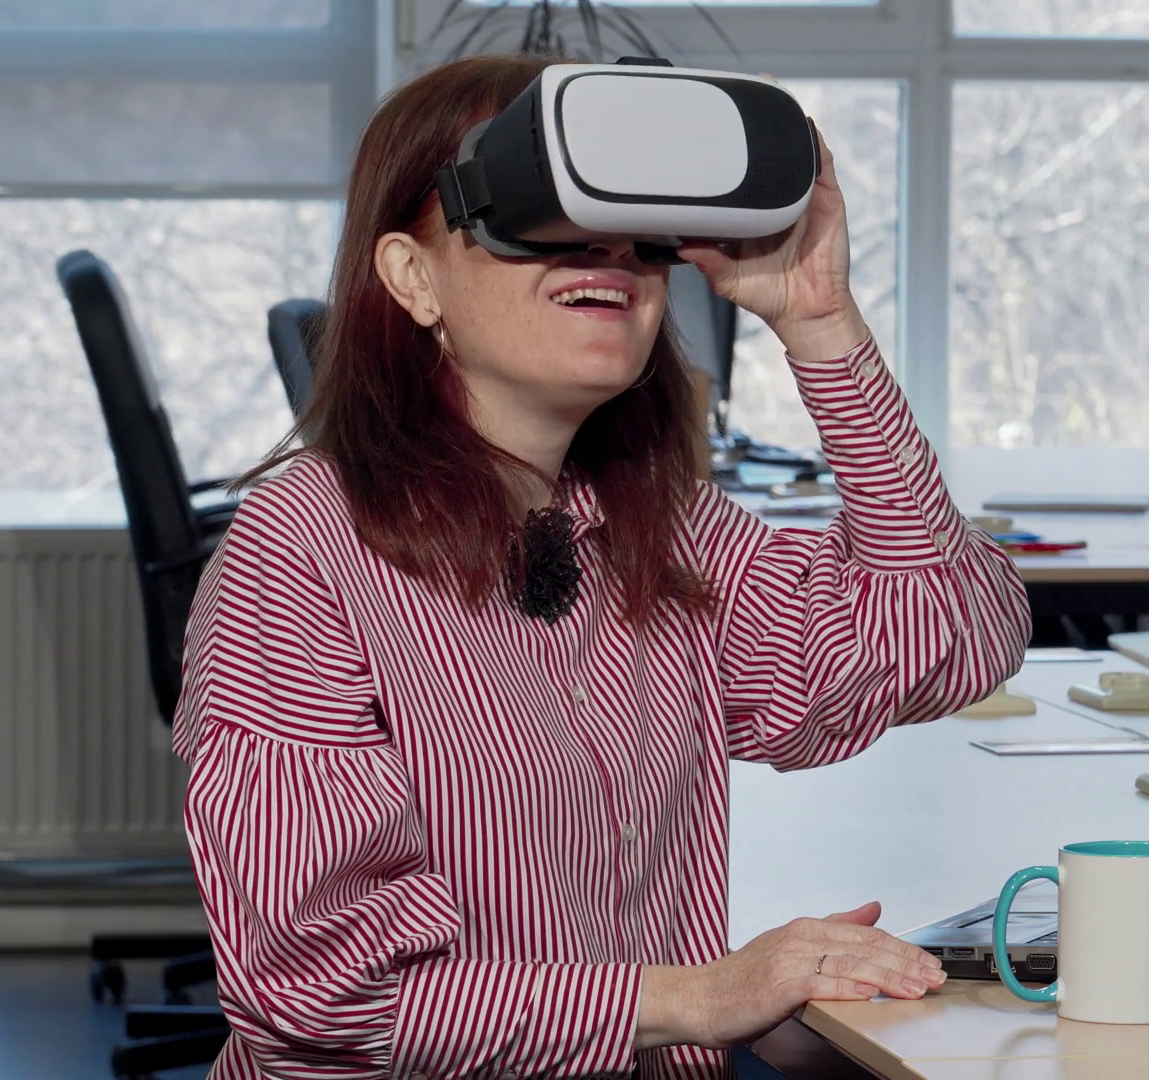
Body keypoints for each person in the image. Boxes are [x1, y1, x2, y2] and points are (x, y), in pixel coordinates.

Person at [172, 54, 1031, 1079]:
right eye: (543, 208)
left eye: (636, 222)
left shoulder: (654, 527)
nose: (608, 250)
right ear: (412, 276)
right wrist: (697, 998)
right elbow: (323, 994)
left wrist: (820, 324)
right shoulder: (301, 552)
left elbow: (946, 637)